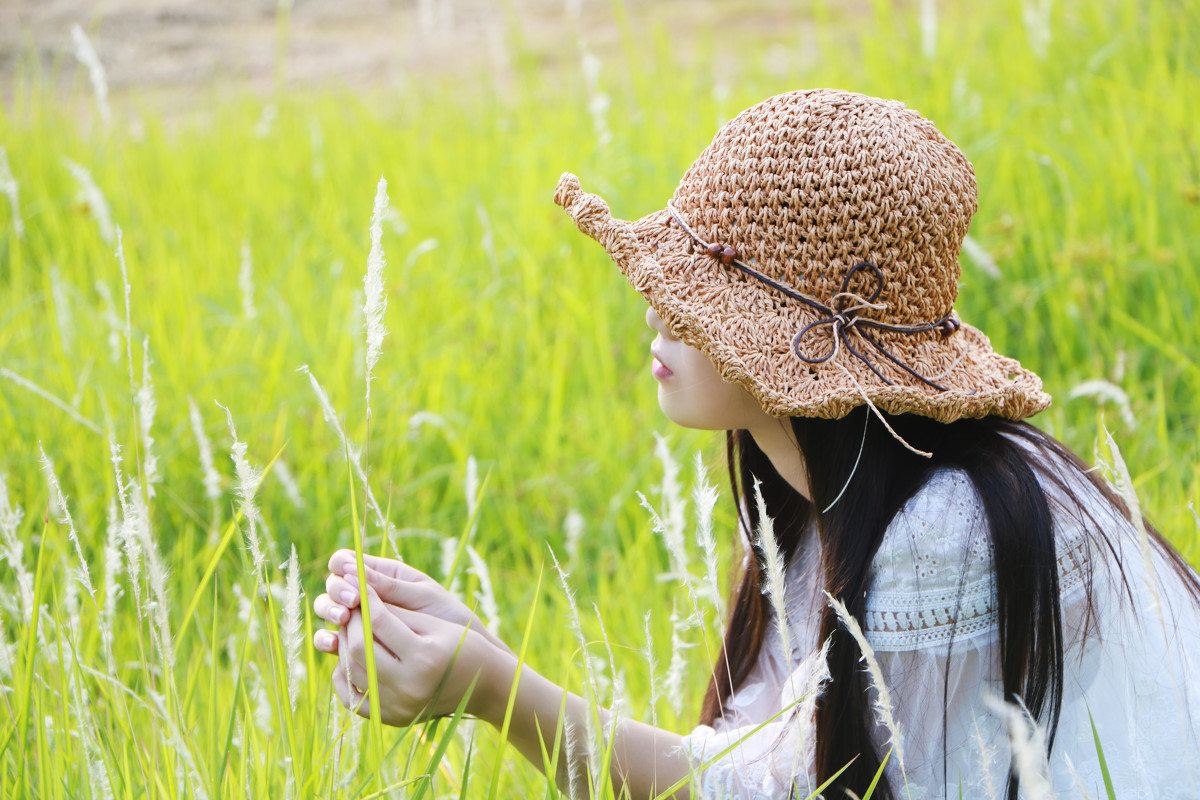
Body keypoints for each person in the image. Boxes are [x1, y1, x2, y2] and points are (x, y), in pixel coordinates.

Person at [312, 89, 1200, 799]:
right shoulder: (831, 498)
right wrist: (481, 661)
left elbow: (783, 790)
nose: (658, 310)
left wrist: (495, 689)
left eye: (704, 299)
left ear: (796, 355)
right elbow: (746, 764)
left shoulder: (944, 534)